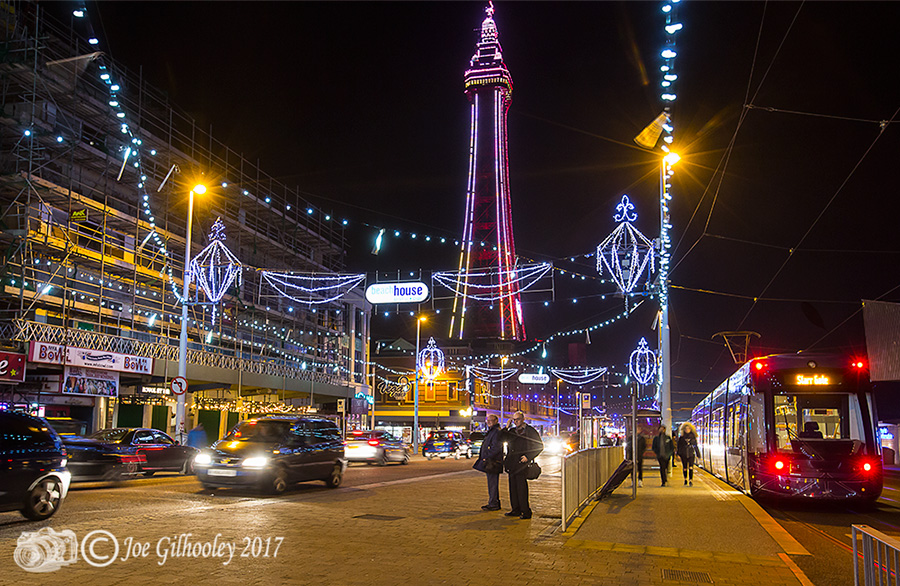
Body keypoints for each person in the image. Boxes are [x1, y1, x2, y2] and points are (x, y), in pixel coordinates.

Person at [503, 411, 543, 519]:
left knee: (521, 488)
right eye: (514, 420)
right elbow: (501, 438)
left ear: (523, 419)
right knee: (513, 488)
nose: (516, 422)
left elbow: (539, 446)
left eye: (518, 419)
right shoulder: (511, 431)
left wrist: (528, 456)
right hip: (512, 463)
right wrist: (506, 426)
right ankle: (515, 509)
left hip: (522, 463)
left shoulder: (530, 431)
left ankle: (526, 511)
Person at [472, 414, 503, 510]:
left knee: (492, 483)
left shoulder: (496, 432)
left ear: (496, 421)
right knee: (491, 483)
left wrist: (487, 456)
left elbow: (496, 447)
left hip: (493, 462)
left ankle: (494, 503)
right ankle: (493, 502)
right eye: (487, 420)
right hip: (491, 461)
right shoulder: (492, 431)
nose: (488, 422)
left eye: (491, 420)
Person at [677, 422, 701, 486]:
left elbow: (695, 446)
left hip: (691, 454)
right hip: (683, 454)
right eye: (686, 428)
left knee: (691, 467)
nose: (687, 430)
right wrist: (678, 454)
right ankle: (685, 479)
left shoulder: (693, 437)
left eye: (688, 428)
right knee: (685, 467)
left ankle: (690, 480)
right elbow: (679, 446)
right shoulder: (681, 437)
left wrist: (698, 454)